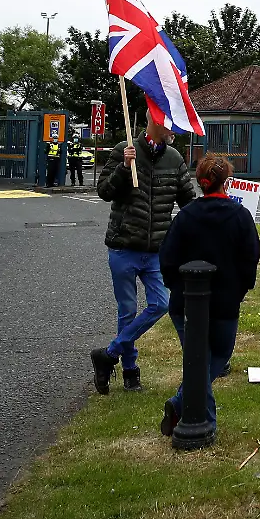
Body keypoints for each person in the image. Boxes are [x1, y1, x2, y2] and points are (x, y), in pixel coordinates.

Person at [90, 118, 198, 394]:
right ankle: (130, 372)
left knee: (160, 304)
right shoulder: (122, 150)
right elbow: (104, 192)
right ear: (154, 122)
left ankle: (109, 354)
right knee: (126, 311)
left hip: (155, 251)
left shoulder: (174, 158)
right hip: (123, 246)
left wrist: (213, 208)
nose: (174, 131)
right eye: (170, 125)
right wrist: (125, 168)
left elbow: (188, 201)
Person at [156, 156, 260, 438]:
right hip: (225, 302)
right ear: (226, 182)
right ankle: (201, 420)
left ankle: (183, 404)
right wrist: (240, 289)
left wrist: (176, 287)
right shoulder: (239, 216)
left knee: (197, 356)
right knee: (216, 356)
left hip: (185, 302)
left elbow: (167, 258)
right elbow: (251, 256)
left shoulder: (186, 215)